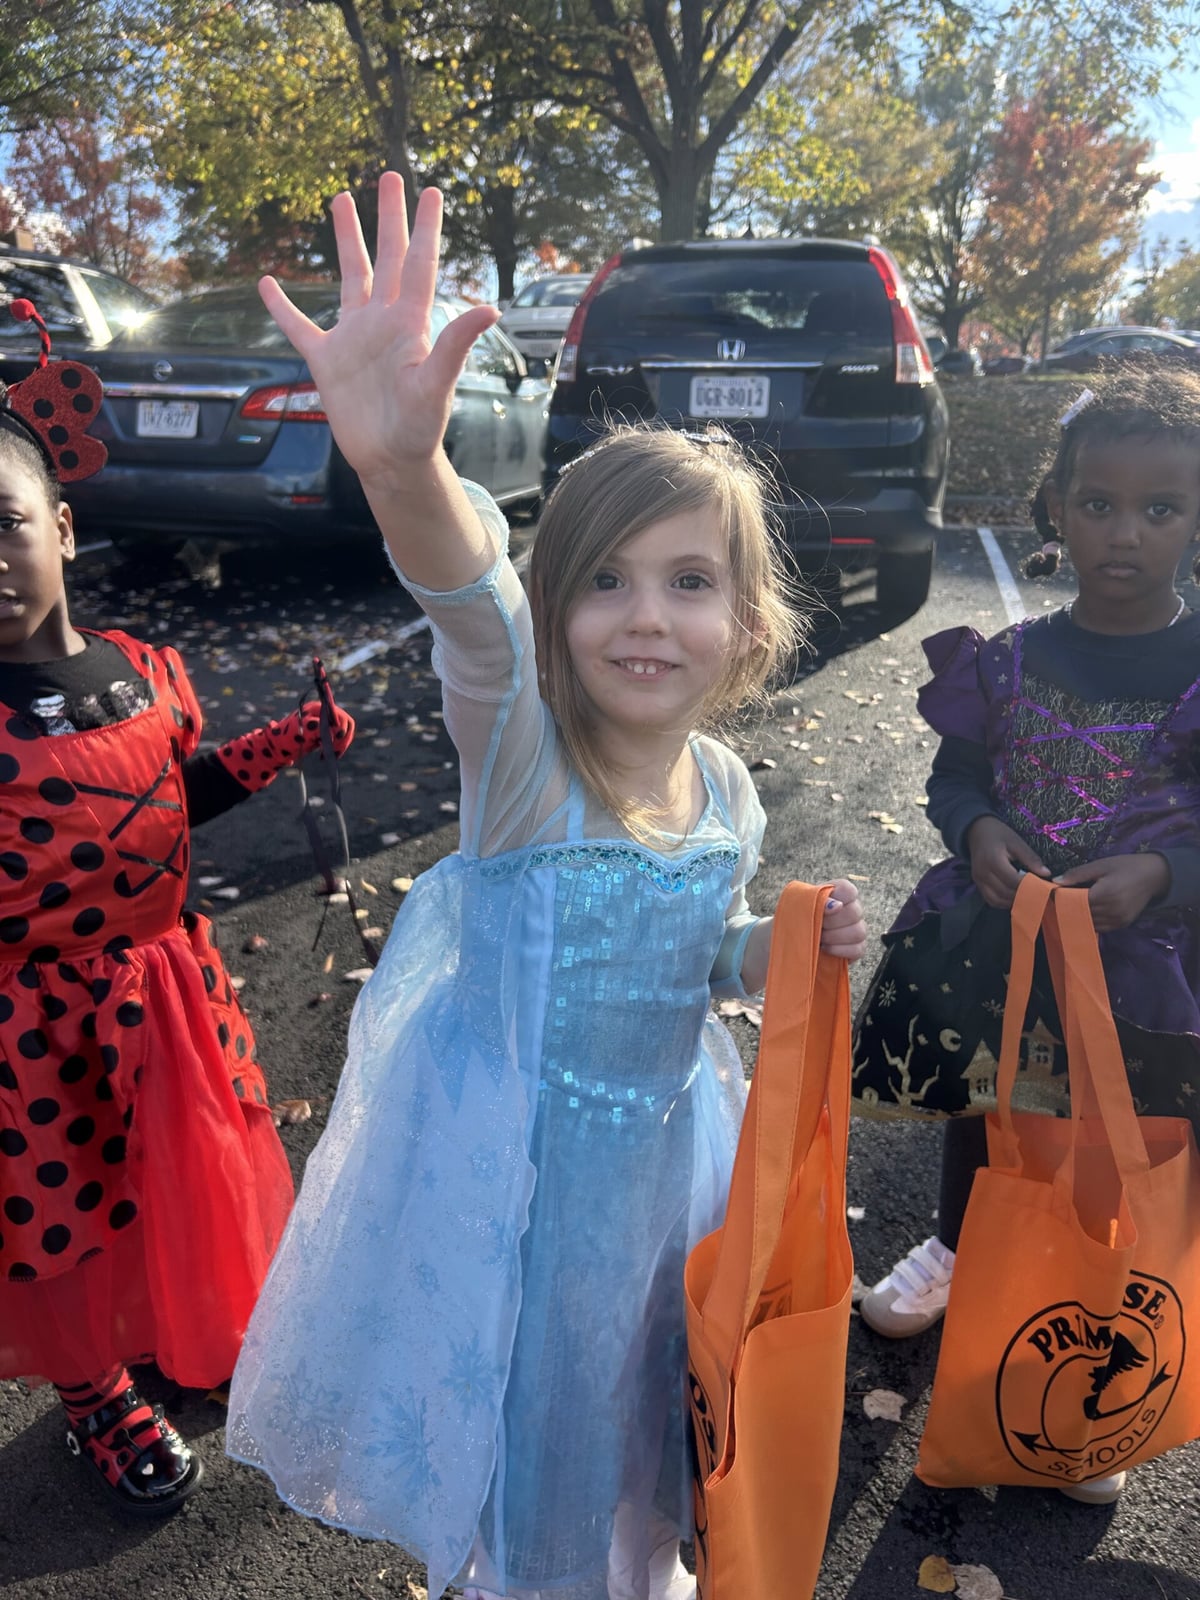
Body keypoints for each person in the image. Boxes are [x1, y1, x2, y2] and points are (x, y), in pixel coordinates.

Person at [226, 174, 867, 1600]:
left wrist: (785, 946)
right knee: (542, 1418)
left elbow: (707, 959)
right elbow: (475, 614)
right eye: (607, 582)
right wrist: (405, 471)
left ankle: (632, 1563)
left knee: (650, 1397)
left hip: (662, 1170)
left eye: (691, 581)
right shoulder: (527, 764)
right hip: (520, 1187)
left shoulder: (729, 790)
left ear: (746, 622)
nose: (647, 616)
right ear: (558, 601)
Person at [0, 301, 354, 1516]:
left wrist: (286, 745)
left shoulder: (144, 669)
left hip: (165, 989)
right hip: (25, 1029)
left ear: (58, 521)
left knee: (169, 1176)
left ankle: (177, 1326)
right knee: (60, 1210)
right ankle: (93, 1384)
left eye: (3, 527)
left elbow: (171, 793)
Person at [852, 368, 1200, 1504]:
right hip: (1005, 951)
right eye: (1099, 503)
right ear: (1054, 506)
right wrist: (982, 823)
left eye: (1163, 509)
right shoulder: (1009, 661)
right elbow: (956, 775)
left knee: (1111, 1141)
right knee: (992, 1105)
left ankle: (1085, 1339)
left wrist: (1163, 872)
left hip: (1144, 974)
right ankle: (961, 1247)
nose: (1127, 533)